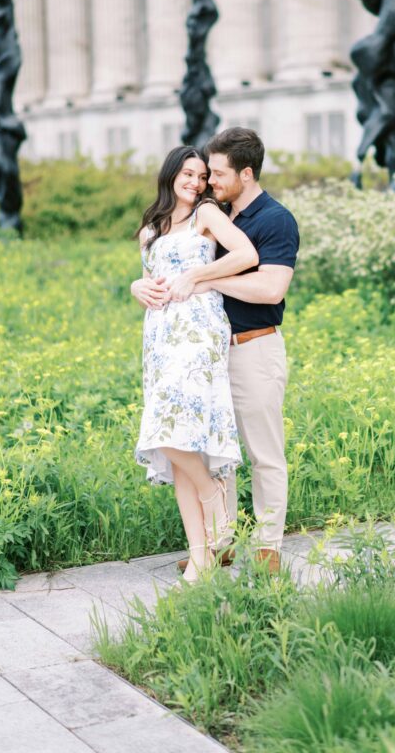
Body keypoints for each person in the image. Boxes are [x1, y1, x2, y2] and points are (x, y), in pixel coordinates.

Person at [166, 128, 300, 574]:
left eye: (219, 173)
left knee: (264, 453)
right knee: (217, 450)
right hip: (210, 354)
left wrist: (204, 279)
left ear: (247, 173)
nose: (210, 181)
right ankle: (221, 542)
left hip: (254, 348)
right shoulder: (218, 215)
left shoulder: (275, 220)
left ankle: (267, 547)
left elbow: (270, 288)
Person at [130, 145, 259, 583]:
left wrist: (195, 278)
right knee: (177, 435)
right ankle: (201, 557)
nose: (196, 182)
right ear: (170, 175)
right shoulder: (151, 227)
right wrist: (136, 287)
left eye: (202, 175)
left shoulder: (206, 214)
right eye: (188, 173)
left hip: (198, 329)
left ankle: (213, 493)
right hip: (160, 336)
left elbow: (246, 255)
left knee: (169, 429)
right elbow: (150, 280)